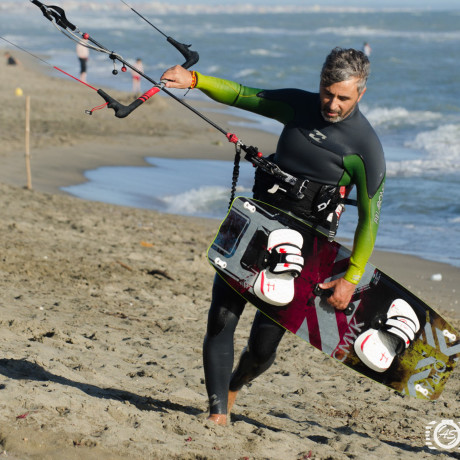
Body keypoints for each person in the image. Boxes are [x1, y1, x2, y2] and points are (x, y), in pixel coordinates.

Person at [161, 47, 385, 426]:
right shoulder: (299, 106)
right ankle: (217, 413)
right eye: (327, 93)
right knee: (221, 320)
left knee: (263, 348)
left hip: (308, 249)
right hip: (256, 224)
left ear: (361, 93)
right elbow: (243, 94)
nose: (331, 104)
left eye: (343, 98)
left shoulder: (365, 149)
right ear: (320, 83)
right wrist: (195, 80)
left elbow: (369, 220)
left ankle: (234, 387)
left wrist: (351, 278)